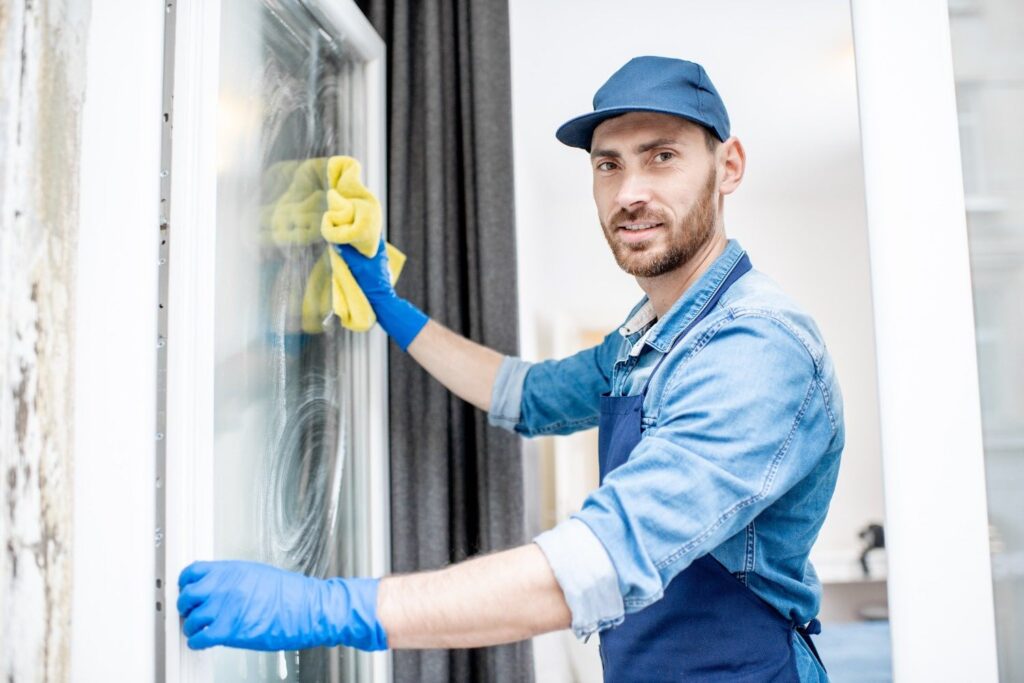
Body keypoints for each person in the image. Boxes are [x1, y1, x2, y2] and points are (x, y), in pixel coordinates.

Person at [178, 56, 840, 682]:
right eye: (609, 164)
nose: (630, 192)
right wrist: (391, 309)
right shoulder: (647, 340)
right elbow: (522, 392)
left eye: (661, 156)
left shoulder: (756, 346)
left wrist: (330, 608)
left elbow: (603, 559)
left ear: (729, 166)